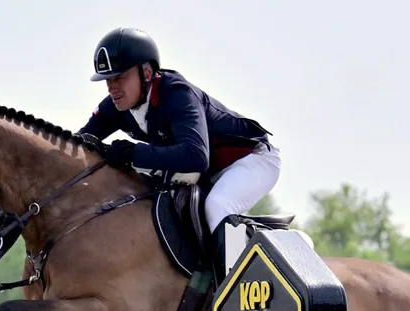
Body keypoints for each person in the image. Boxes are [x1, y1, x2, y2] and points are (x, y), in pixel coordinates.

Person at [78, 27, 279, 242]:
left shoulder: (177, 94)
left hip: (251, 160)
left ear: (146, 73)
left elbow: (196, 157)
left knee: (218, 205)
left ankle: (236, 275)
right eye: (108, 80)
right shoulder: (114, 107)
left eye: (120, 77)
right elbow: (79, 143)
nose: (112, 88)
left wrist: (133, 153)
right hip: (207, 171)